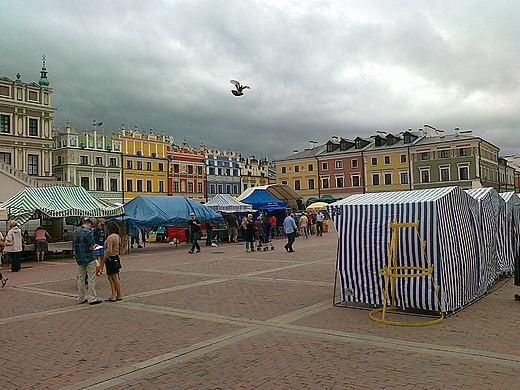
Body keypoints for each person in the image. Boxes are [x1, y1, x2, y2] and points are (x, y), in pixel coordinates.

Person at [73, 218, 102, 305]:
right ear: (89, 225)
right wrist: (95, 245)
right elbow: (90, 247)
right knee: (91, 278)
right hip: (89, 257)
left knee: (81, 278)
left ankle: (81, 298)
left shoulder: (75, 232)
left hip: (79, 258)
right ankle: (92, 298)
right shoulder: (89, 233)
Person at [99, 221, 122, 302]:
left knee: (113, 277)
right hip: (116, 257)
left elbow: (108, 250)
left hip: (110, 258)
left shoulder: (110, 238)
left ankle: (117, 294)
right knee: (113, 277)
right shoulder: (117, 236)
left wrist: (105, 257)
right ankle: (114, 295)